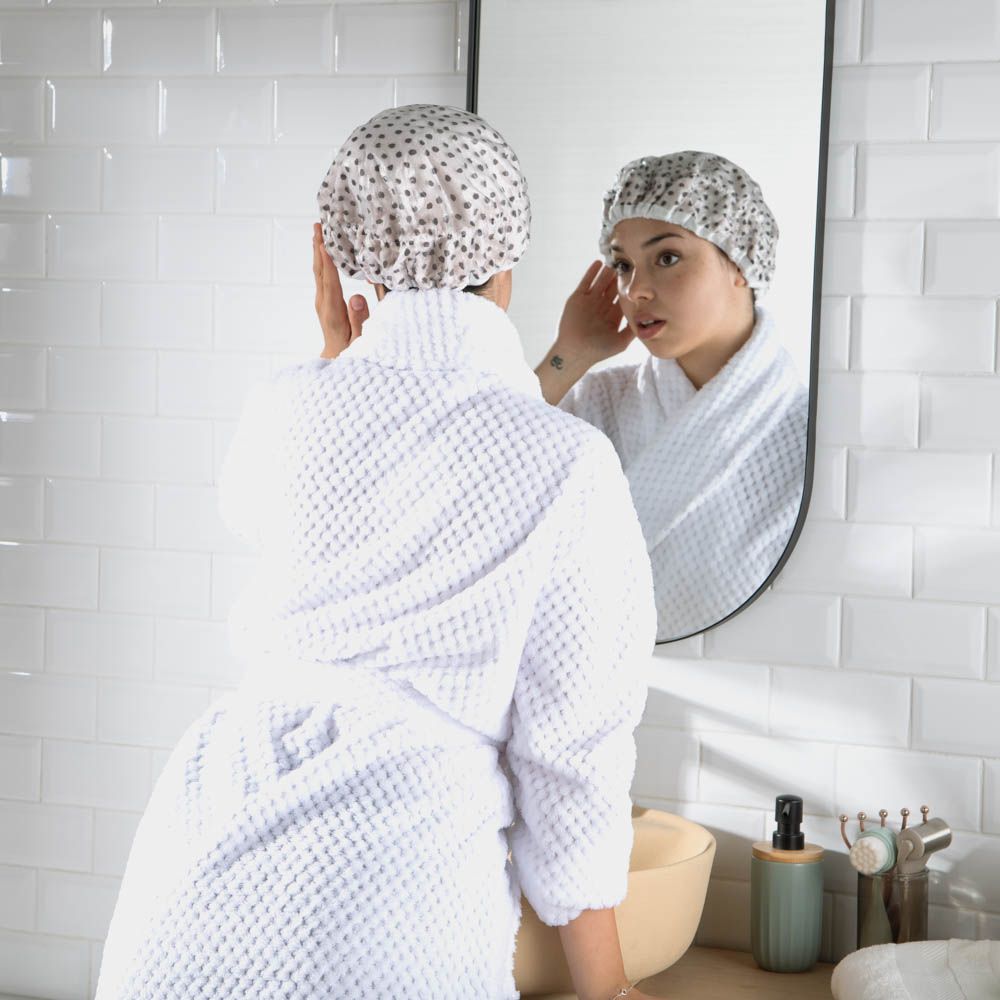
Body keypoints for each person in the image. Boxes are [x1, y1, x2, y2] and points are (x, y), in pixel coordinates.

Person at [95, 105, 659, 1000]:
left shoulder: (284, 407)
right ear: (506, 254)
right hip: (382, 897)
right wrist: (611, 991)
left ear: (346, 251)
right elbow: (569, 761)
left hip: (188, 879)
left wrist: (336, 366)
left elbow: (297, 496)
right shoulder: (568, 465)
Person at [534, 151, 809, 639]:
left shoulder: (809, 431)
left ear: (740, 260)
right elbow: (476, 487)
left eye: (666, 258)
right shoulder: (595, 404)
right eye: (622, 265)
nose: (635, 290)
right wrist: (567, 356)